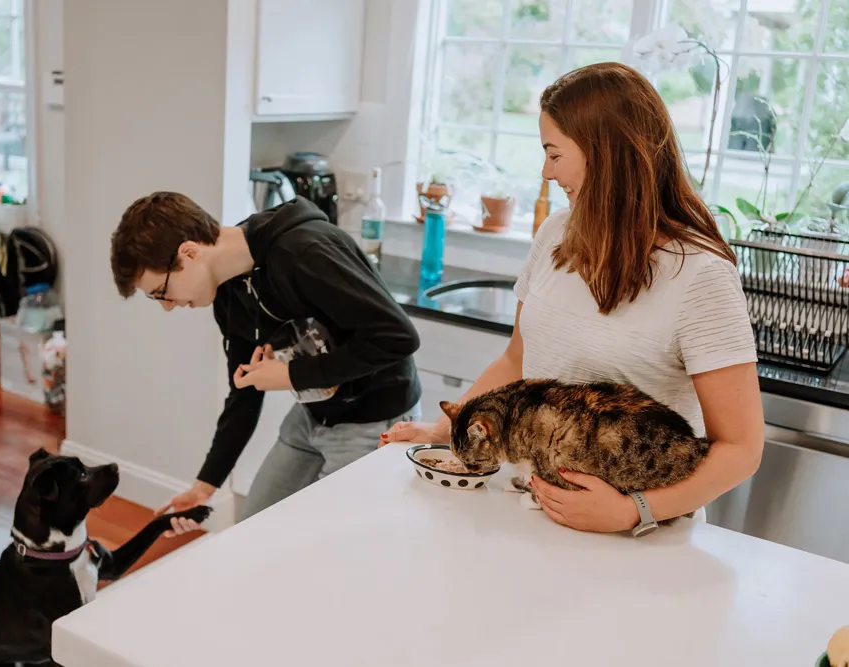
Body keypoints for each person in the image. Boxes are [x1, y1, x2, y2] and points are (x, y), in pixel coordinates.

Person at [381, 61, 765, 534]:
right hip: (534, 513)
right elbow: (516, 361)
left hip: (641, 538)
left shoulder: (700, 276)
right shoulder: (556, 233)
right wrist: (447, 432)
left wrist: (634, 510)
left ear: (606, 154)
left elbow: (742, 448)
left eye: (554, 154)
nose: (545, 172)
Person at [110, 193, 422, 533]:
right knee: (251, 536)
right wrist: (205, 486)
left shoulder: (305, 252)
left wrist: (292, 375)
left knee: (331, 555)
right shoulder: (228, 291)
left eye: (161, 292)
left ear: (189, 252)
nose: (167, 306)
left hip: (374, 420)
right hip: (311, 418)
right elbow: (243, 391)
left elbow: (398, 337)